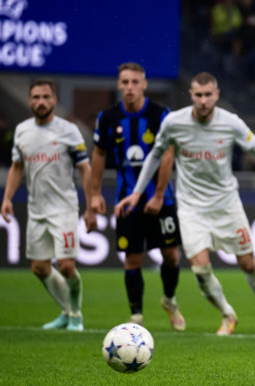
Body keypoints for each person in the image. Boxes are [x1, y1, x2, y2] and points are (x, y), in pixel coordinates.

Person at [115, 72, 255, 335]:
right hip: (191, 207)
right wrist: (137, 192)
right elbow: (156, 154)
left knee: (248, 264)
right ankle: (227, 313)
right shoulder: (174, 123)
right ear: (191, 95)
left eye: (208, 95)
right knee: (201, 269)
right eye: (198, 95)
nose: (203, 100)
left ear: (217, 94)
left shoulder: (231, 123)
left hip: (227, 205)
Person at [87, 62, 185, 331]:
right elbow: (98, 154)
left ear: (144, 84)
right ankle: (136, 317)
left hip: (161, 198)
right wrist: (94, 193)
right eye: (125, 82)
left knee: (171, 255)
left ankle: (169, 299)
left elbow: (168, 154)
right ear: (119, 85)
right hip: (126, 199)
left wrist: (159, 195)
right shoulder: (107, 118)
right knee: (132, 258)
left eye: (134, 82)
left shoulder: (161, 115)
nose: (129, 87)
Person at [1, 79, 96, 331]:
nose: (40, 102)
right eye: (35, 97)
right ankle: (65, 311)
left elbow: (84, 168)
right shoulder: (22, 130)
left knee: (66, 266)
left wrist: (90, 206)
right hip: (36, 209)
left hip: (63, 207)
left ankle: (76, 315)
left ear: (54, 100)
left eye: (45, 97)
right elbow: (17, 166)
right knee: (40, 268)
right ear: (30, 100)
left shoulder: (69, 130)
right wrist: (7, 198)